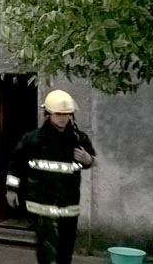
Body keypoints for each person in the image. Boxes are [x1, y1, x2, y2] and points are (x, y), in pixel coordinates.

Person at [5, 89, 96, 264]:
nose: (63, 118)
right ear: (48, 114)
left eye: (67, 114)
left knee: (65, 253)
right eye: (58, 114)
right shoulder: (32, 140)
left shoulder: (78, 139)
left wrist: (88, 159)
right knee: (47, 253)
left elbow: (91, 161)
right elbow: (15, 166)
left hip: (69, 207)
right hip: (42, 207)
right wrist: (11, 190)